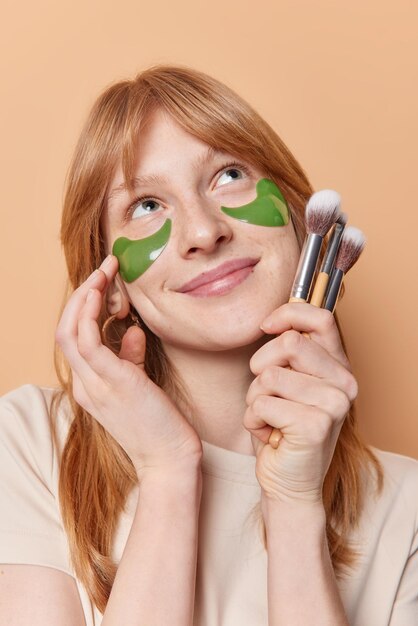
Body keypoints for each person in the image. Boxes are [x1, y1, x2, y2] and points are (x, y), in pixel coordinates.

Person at [0, 64, 417, 626]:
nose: (203, 232)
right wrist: (168, 470)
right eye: (146, 206)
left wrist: (294, 504)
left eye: (227, 175)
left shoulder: (407, 510)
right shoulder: (29, 443)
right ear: (112, 284)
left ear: (298, 215)